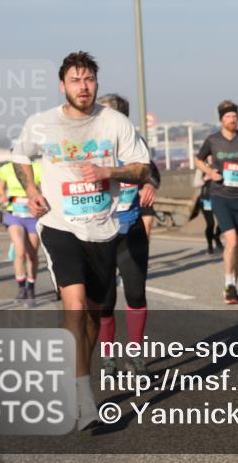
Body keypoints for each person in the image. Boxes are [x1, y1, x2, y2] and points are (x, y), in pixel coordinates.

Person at [11, 51, 150, 430]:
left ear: (96, 84)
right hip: (59, 224)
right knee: (74, 303)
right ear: (63, 85)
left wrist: (111, 170)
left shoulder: (116, 123)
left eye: (88, 79)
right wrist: (31, 189)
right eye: (75, 80)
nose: (83, 86)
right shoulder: (42, 124)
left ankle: (76, 377)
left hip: (103, 228)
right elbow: (20, 156)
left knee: (92, 313)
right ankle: (84, 395)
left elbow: (143, 168)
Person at [96, 93, 161, 376]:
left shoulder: (137, 145)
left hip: (130, 225)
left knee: (135, 294)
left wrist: (151, 186)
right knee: (106, 301)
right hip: (99, 231)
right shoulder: (91, 147)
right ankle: (108, 355)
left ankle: (135, 356)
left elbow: (153, 173)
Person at [195, 100, 238, 304]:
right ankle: (229, 282)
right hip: (220, 195)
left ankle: (232, 284)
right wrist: (209, 172)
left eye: (234, 116)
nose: (232, 120)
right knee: (231, 240)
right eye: (228, 117)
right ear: (221, 119)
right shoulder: (213, 140)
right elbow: (198, 159)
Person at [0, 159, 43, 303]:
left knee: (32, 255)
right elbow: (1, 188)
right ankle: (21, 287)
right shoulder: (6, 168)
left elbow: (44, 188)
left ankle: (31, 286)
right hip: (14, 215)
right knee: (20, 251)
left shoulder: (38, 167)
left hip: (33, 217)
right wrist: (2, 196)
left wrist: (36, 195)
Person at [198, 177, 222, 254]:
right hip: (206, 200)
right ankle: (210, 245)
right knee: (210, 223)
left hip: (219, 199)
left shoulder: (220, 166)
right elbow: (195, 183)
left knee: (223, 221)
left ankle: (217, 236)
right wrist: (205, 178)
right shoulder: (202, 168)